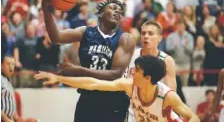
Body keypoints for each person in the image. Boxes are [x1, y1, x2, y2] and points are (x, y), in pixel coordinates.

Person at [42, 0, 136, 122]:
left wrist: (78, 70)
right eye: (113, 8)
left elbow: (114, 74)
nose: (118, 11)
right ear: (101, 12)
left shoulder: (126, 38)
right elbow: (56, 38)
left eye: (120, 11)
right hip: (87, 98)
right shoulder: (85, 32)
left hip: (113, 101)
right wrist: (46, 8)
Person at [35, 55, 200, 122]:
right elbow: (93, 83)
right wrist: (59, 78)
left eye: (137, 71)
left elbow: (194, 118)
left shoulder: (167, 97)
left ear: (148, 78)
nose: (132, 72)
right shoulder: (130, 85)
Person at [123, 21, 177, 121]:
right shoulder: (130, 55)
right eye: (143, 33)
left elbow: (171, 94)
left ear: (160, 38)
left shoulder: (167, 61)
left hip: (156, 109)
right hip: (132, 107)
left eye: (150, 33)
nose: (146, 36)